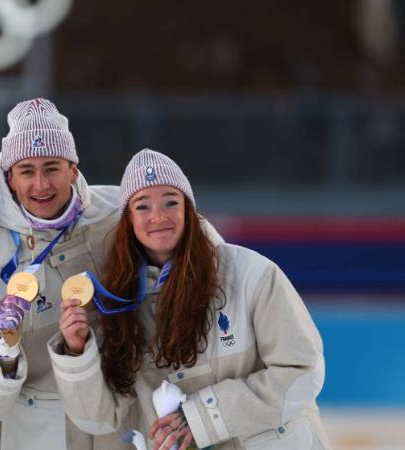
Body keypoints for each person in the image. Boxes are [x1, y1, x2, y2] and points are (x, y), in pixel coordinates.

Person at [49, 149, 330, 449]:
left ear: (189, 210)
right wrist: (77, 351)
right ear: (127, 220)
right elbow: (98, 419)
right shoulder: (113, 300)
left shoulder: (251, 274)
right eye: (143, 206)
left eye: (171, 201)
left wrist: (204, 416)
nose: (158, 216)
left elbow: (302, 372)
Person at [0, 98, 125, 449]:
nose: (41, 185)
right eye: (27, 171)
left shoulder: (123, 215)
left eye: (52, 167)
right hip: (39, 434)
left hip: (122, 425)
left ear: (73, 170)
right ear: (10, 179)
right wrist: (4, 351)